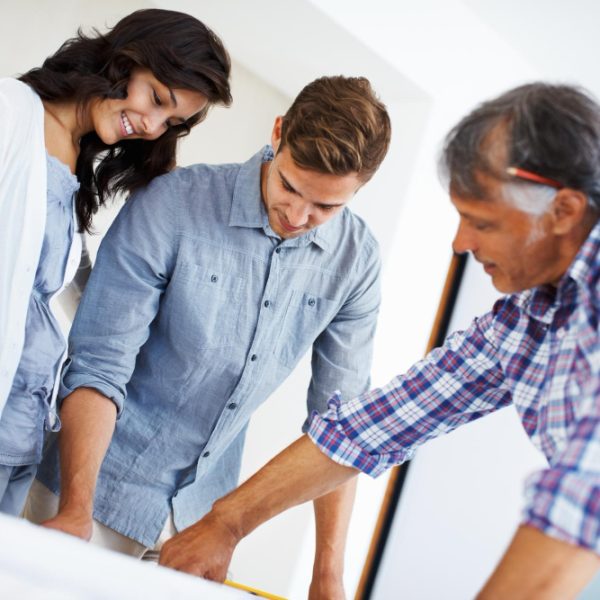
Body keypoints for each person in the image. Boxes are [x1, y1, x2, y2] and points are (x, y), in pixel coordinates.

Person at [164, 82, 600, 599]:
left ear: (565, 212)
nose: (461, 243)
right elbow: (378, 424)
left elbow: (580, 507)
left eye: (481, 222)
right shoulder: (529, 316)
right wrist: (226, 523)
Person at [26, 75, 391, 599]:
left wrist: (327, 576)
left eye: (326, 207)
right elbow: (100, 366)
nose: (297, 215)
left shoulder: (357, 261)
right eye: (289, 186)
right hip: (87, 488)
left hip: (200, 525)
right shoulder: (173, 204)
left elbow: (342, 427)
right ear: (278, 132)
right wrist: (75, 511)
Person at [0, 8, 232, 517]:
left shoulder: (75, 160)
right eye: (156, 99)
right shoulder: (10, 115)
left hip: (20, 438)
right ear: (125, 58)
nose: (151, 126)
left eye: (171, 123)